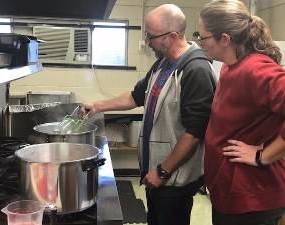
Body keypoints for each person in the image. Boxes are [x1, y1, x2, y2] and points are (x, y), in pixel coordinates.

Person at [81, 4, 216, 225]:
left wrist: (163, 171)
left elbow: (195, 133)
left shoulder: (195, 69)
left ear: (172, 36)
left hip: (173, 180)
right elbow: (135, 97)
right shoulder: (163, 64)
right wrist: (97, 105)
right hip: (156, 172)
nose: (146, 41)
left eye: (151, 36)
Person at [197, 0, 285, 224]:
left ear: (225, 39)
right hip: (229, 193)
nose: (199, 42)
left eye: (203, 37)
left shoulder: (257, 70)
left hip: (253, 198)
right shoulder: (229, 66)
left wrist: (262, 155)